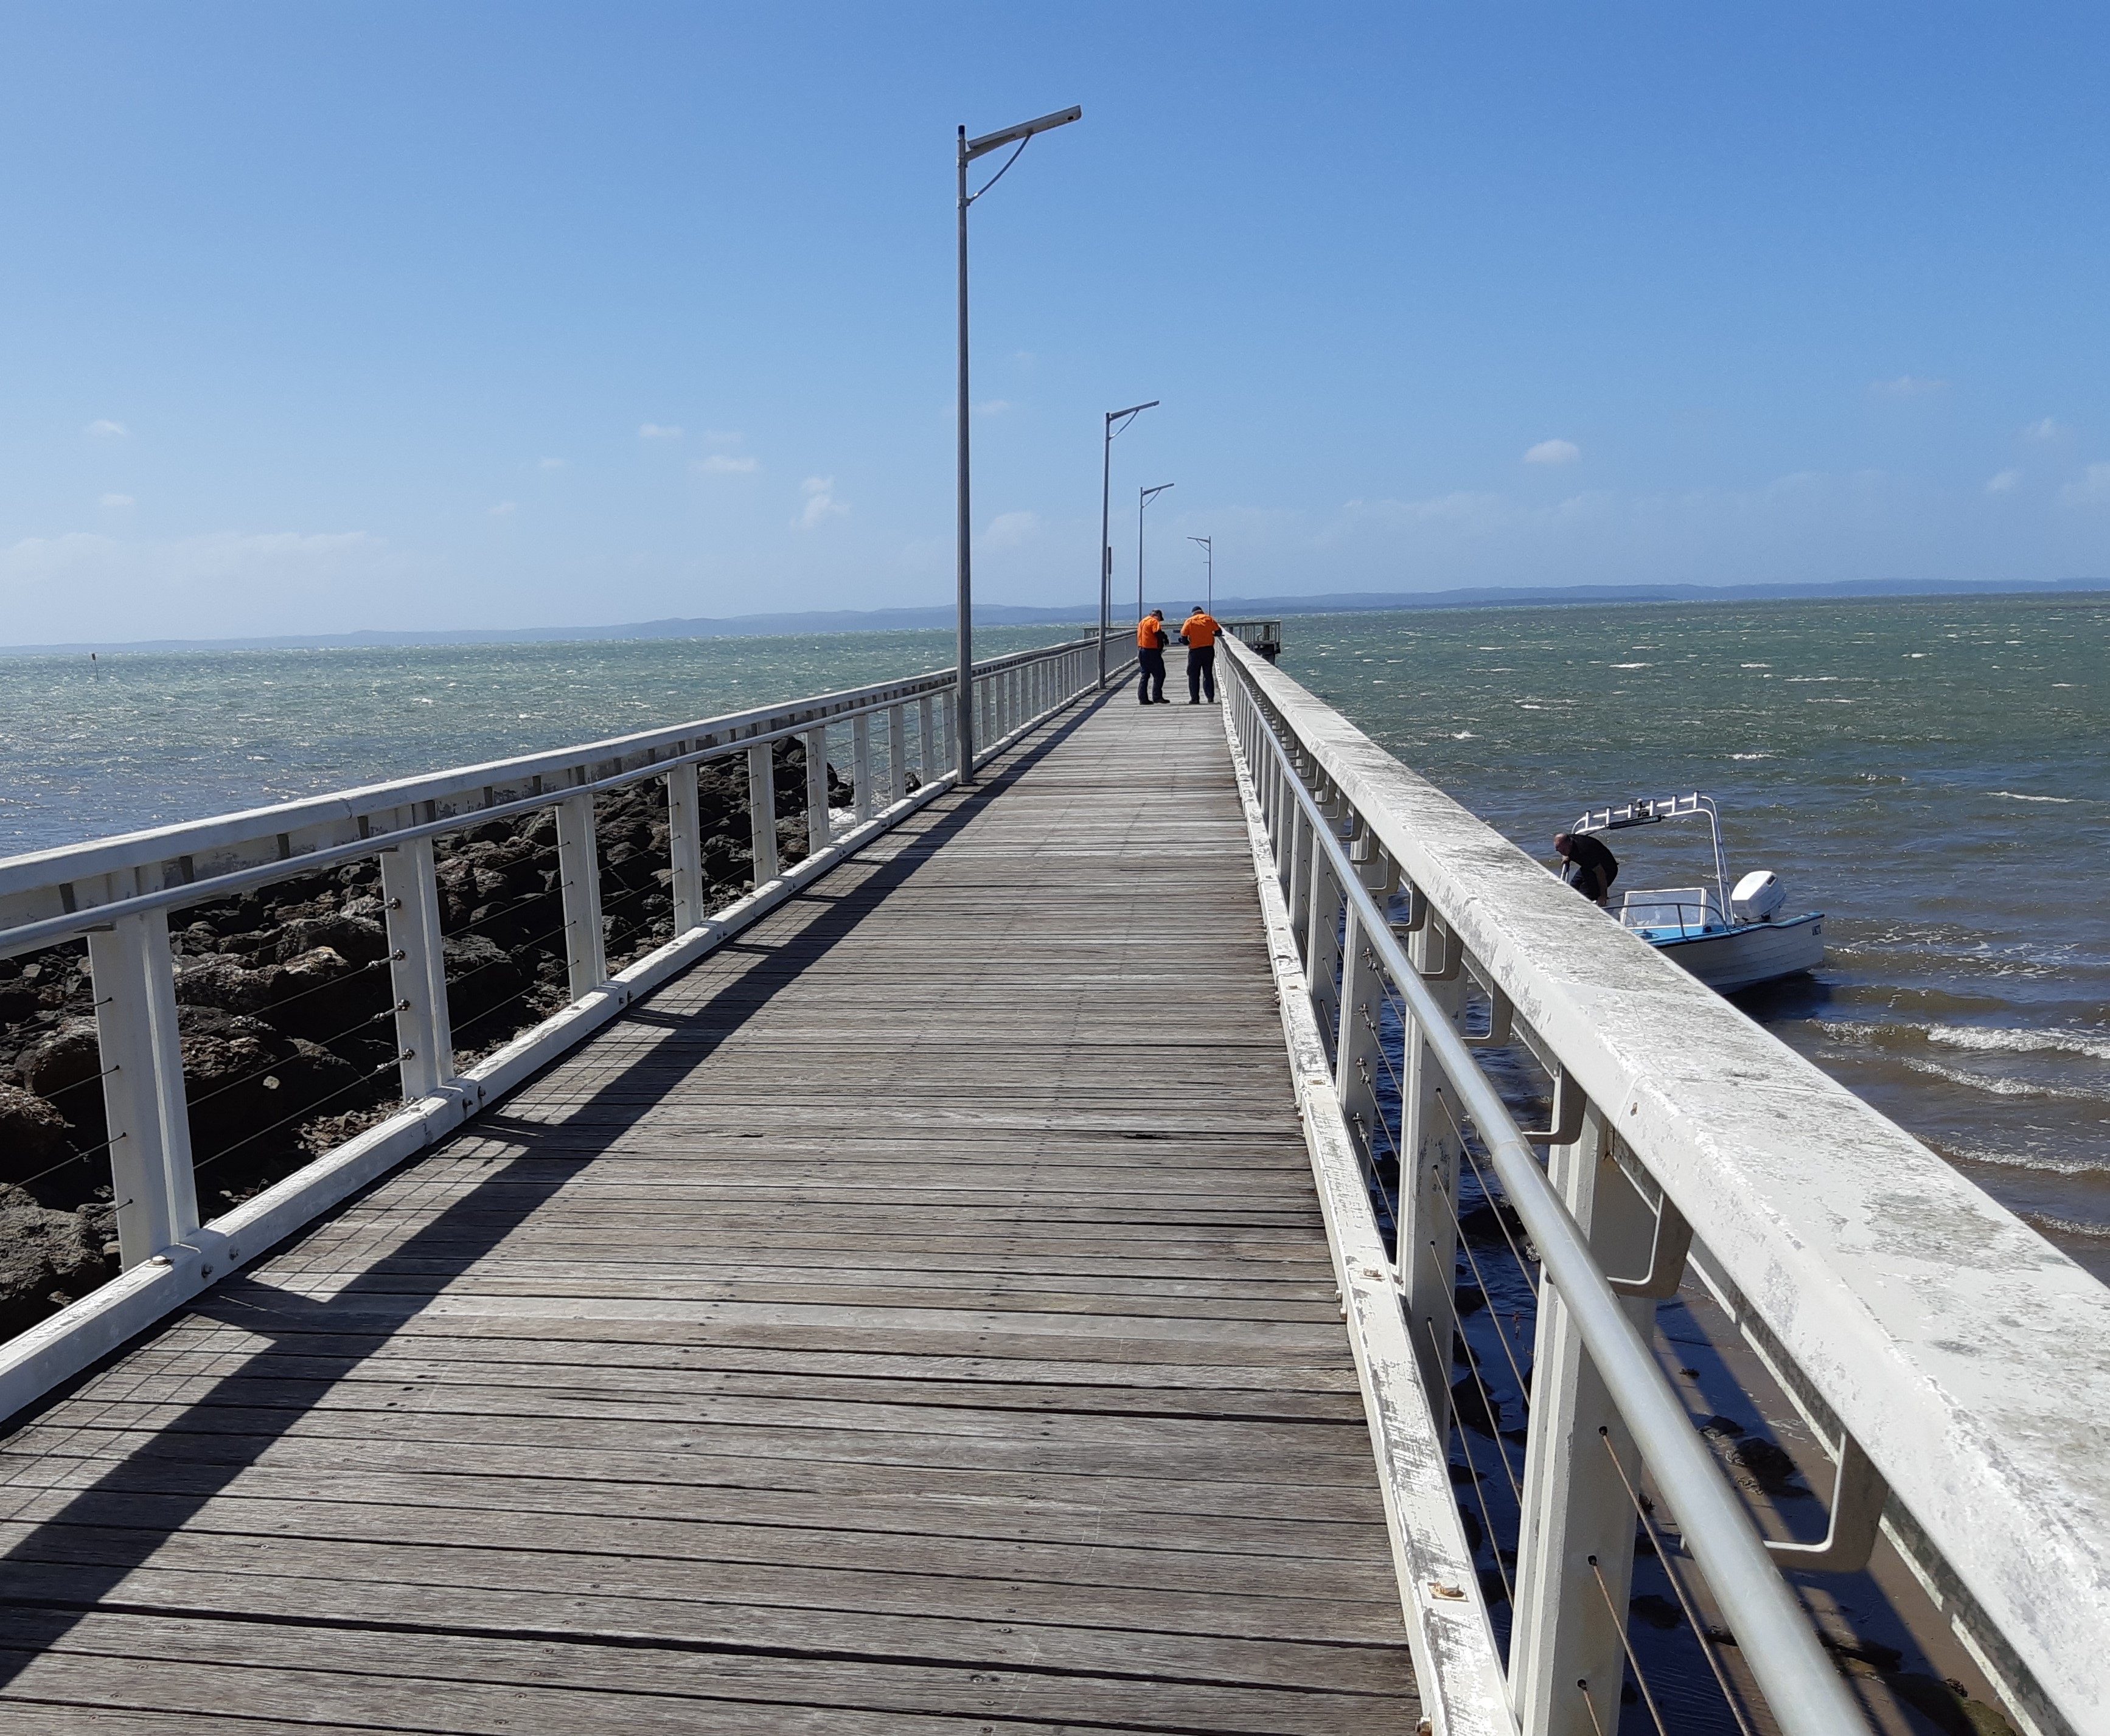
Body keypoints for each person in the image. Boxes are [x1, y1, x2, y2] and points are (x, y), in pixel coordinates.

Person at [1553, 831, 1619, 907]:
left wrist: (1603, 896)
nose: (1562, 853)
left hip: (1607, 870)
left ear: (1570, 843)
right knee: (1573, 889)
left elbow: (1600, 873)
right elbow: (1565, 849)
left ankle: (1600, 906)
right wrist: (1567, 856)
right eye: (1559, 851)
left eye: (1564, 850)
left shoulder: (1583, 851)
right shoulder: (1569, 840)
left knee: (1586, 896)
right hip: (1589, 867)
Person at [1180, 605, 1221, 703]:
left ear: (1193, 613)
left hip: (1195, 651)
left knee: (1193, 675)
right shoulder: (1209, 619)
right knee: (1208, 674)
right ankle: (1210, 697)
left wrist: (1186, 642)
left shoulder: (1190, 621)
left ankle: (1195, 698)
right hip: (1208, 650)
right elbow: (1218, 632)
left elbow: (1184, 638)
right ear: (1202, 612)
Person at [1135, 608, 1169, 704]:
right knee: (1160, 673)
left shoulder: (1143, 622)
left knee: (1145, 674)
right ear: (1158, 616)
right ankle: (1157, 696)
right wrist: (1164, 640)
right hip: (1151, 651)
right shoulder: (1154, 622)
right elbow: (1157, 633)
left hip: (1142, 650)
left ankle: (1143, 698)